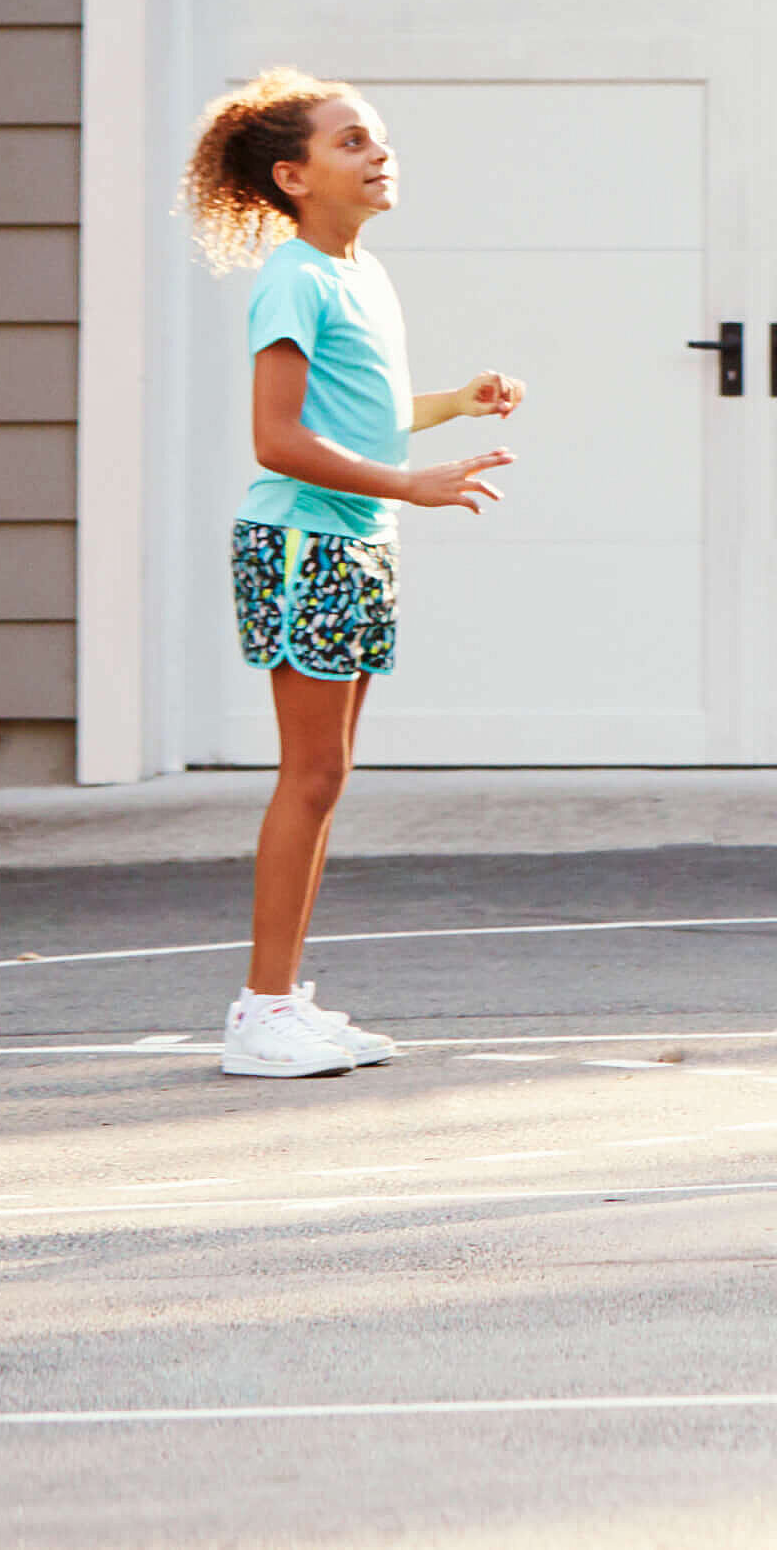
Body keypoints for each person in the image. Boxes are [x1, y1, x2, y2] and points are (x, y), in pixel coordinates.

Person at [186, 72, 520, 1081]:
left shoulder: (358, 275)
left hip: (357, 539)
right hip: (303, 545)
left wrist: (452, 404)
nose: (379, 154)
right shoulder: (291, 276)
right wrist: (407, 487)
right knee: (312, 776)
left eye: (380, 140)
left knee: (325, 779)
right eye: (352, 142)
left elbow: (359, 414)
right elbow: (278, 437)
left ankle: (284, 997)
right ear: (293, 177)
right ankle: (262, 1010)